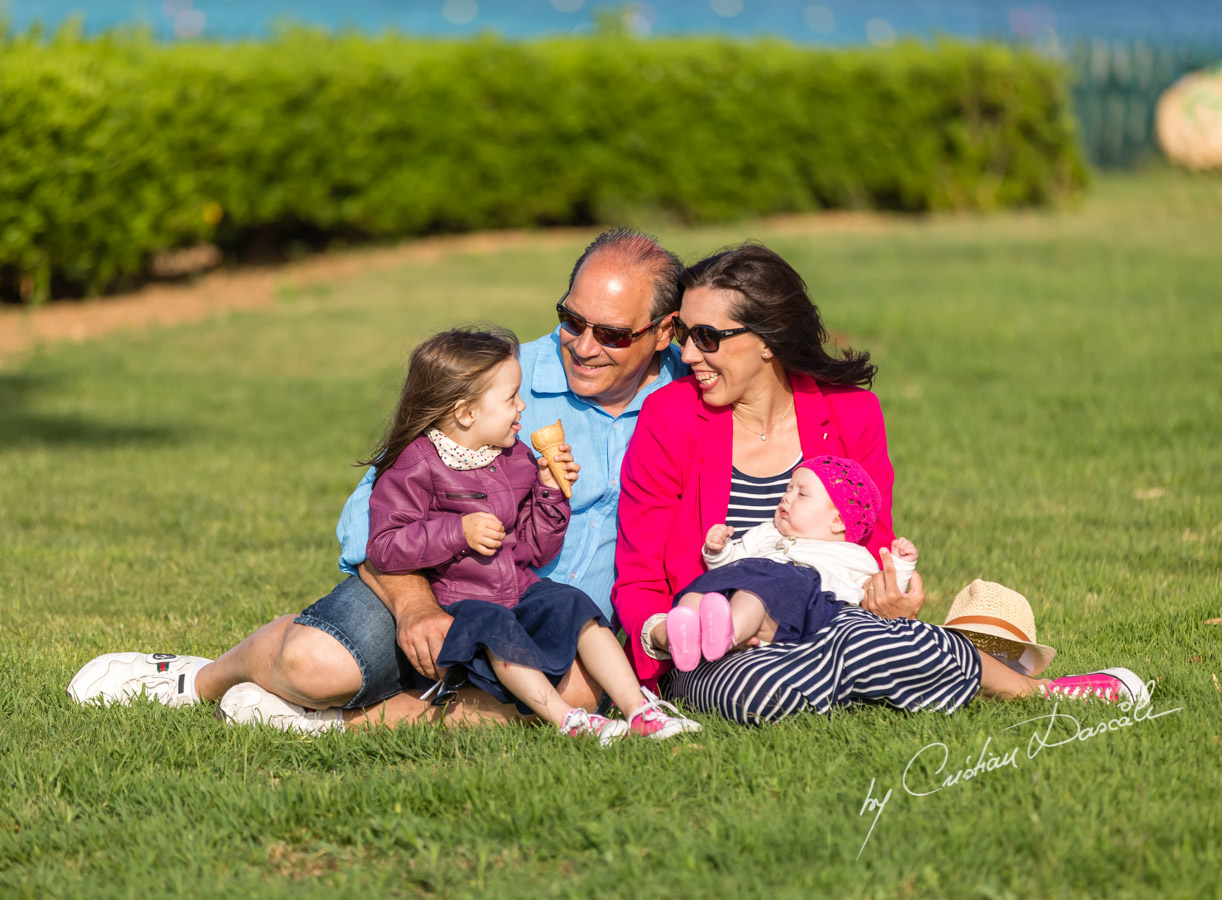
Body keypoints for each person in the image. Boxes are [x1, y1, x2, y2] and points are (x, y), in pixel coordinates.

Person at [67, 228, 688, 731]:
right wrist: (415, 604)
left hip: (547, 619)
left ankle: (331, 727)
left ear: (663, 333)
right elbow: (370, 511)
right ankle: (198, 678)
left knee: (560, 706)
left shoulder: (686, 406)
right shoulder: (498, 379)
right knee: (314, 664)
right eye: (570, 320)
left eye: (609, 334)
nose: (580, 346)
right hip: (437, 587)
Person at [612, 243, 1146, 725]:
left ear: (768, 342)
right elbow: (638, 577)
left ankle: (1040, 694)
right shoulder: (669, 417)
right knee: (756, 691)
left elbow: (869, 546)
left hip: (832, 623)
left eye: (708, 338)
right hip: (719, 649)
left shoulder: (852, 413)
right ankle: (894, 678)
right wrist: (662, 637)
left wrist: (887, 601)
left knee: (876, 639)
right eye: (685, 334)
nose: (687, 355)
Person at [363, 326, 700, 743]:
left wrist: (551, 493)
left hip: (519, 587)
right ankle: (569, 720)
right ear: (466, 413)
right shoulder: (416, 464)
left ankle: (640, 709)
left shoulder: (516, 457)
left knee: (576, 606)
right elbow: (383, 547)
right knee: (498, 631)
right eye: (511, 399)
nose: (523, 407)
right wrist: (456, 531)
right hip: (461, 602)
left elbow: (535, 550)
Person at [666, 455, 917, 670]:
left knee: (754, 594)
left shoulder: (851, 554)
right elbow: (733, 563)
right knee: (699, 592)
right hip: (742, 585)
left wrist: (902, 566)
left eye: (802, 494)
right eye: (788, 489)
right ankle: (686, 636)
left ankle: (725, 636)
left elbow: (876, 592)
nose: (786, 498)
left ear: (838, 521)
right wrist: (719, 551)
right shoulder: (766, 532)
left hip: (785, 604)